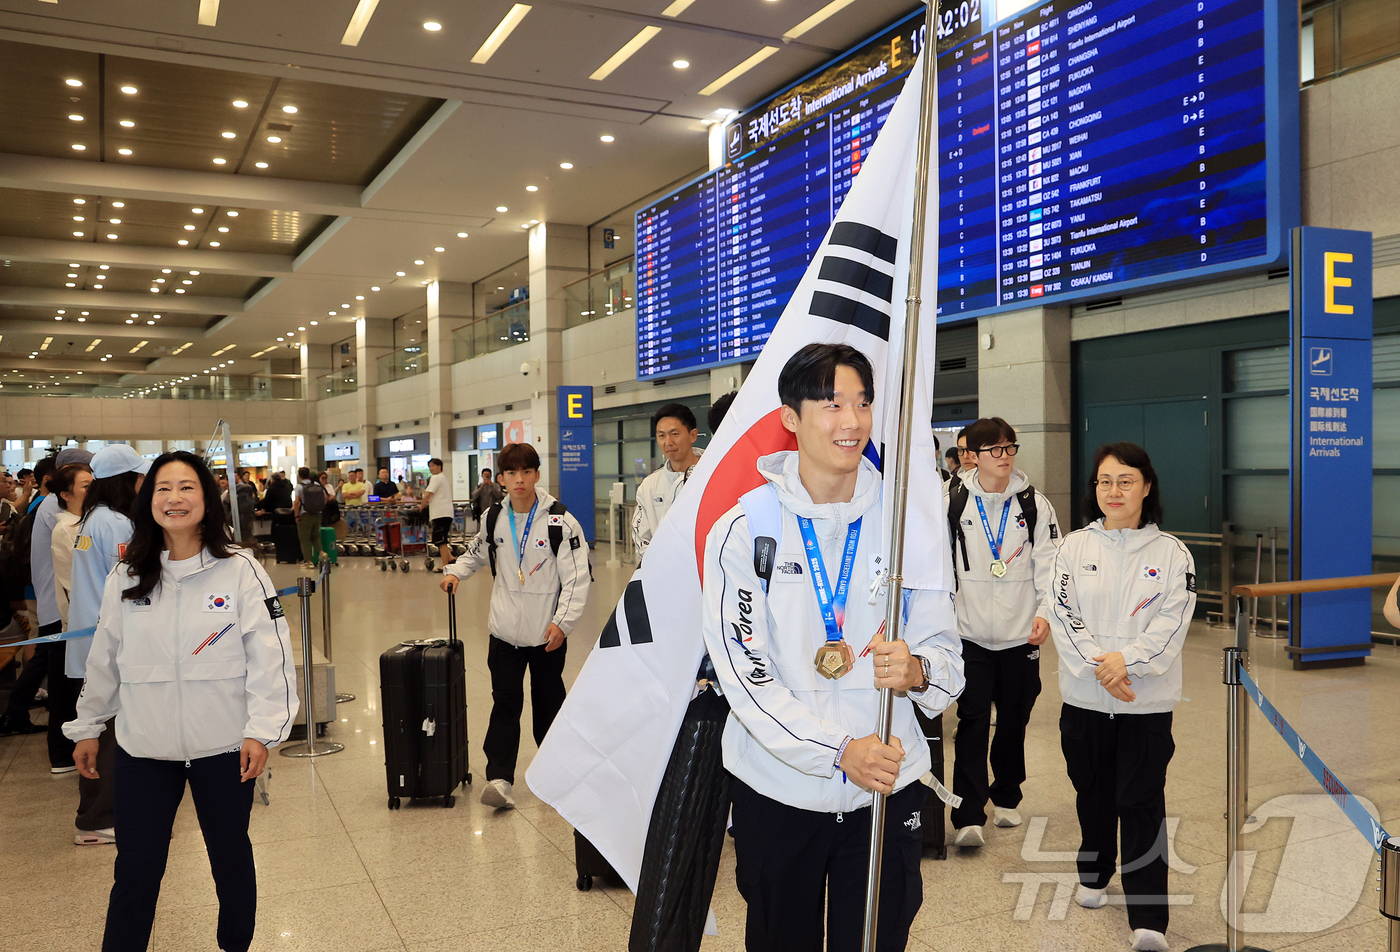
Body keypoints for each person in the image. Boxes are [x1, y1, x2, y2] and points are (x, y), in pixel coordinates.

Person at [700, 343, 965, 952]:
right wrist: (840, 750)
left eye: (863, 402)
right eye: (831, 403)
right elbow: (746, 681)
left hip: (886, 789)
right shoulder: (745, 530)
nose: (852, 420)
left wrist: (920, 670)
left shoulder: (907, 526)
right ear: (790, 417)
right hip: (780, 788)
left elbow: (949, 661)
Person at [66, 451, 297, 952]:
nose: (174, 498)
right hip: (144, 749)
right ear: (148, 500)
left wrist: (262, 729)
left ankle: (235, 944)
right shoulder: (127, 575)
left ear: (207, 499)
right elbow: (104, 656)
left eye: (187, 487)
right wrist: (87, 726)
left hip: (223, 747)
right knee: (135, 867)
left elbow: (271, 657)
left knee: (230, 859)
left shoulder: (240, 571)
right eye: (163, 488)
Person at [1050, 442, 1196, 952]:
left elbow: (1171, 624)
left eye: (1125, 481)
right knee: (1091, 791)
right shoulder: (1073, 548)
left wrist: (1125, 662)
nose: (1114, 491)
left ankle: (1149, 916)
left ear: (1147, 487)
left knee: (1140, 801)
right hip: (1085, 699)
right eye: (1105, 482)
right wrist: (1101, 666)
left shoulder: (1172, 553)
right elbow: (1064, 616)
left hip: (1144, 703)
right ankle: (1093, 873)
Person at [439, 442, 590, 810]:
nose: (518, 480)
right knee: (504, 703)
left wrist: (562, 623)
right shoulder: (494, 517)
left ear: (537, 474)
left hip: (546, 633)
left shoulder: (560, 520)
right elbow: (476, 552)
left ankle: (557, 774)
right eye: (511, 473)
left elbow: (576, 578)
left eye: (526, 472)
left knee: (549, 704)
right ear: (501, 478)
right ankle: (500, 779)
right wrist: (455, 572)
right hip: (504, 632)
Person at [945, 417, 1061, 847]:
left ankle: (1007, 793)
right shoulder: (952, 501)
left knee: (1015, 718)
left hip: (1020, 635)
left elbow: (1050, 565)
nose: (1006, 457)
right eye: (996, 450)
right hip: (969, 634)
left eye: (1011, 448)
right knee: (973, 720)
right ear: (971, 456)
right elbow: (939, 565)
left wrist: (1046, 613)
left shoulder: (1035, 505)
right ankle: (968, 814)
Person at [632, 402, 702, 562]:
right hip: (665, 574)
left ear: (693, 435)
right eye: (661, 435)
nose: (668, 442)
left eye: (675, 434)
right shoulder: (649, 486)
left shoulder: (713, 475)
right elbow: (641, 536)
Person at [49, 462, 94, 628]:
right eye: (86, 487)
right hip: (83, 612)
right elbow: (89, 566)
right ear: (66, 495)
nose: (94, 491)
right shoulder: (68, 528)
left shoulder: (87, 522)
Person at [420, 458, 453, 569]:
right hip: (445, 513)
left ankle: (445, 565)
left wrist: (422, 505)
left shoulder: (436, 478)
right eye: (430, 466)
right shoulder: (443, 478)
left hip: (440, 513)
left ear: (439, 466)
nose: (431, 469)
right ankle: (450, 558)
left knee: (441, 540)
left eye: (433, 466)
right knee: (441, 538)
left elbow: (428, 494)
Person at [292, 466, 327, 569]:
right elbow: (325, 497)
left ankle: (308, 561)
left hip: (305, 514)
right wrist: (320, 507)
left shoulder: (299, 487)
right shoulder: (316, 484)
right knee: (315, 536)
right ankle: (321, 552)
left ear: (299, 476)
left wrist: (296, 515)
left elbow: (297, 502)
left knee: (305, 539)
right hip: (318, 514)